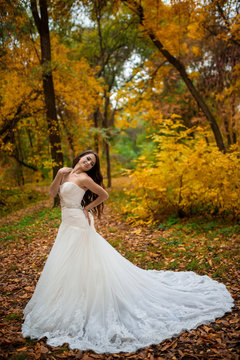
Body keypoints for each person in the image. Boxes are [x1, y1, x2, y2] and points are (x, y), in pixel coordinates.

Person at [22, 150, 234, 354]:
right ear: (79, 157)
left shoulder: (85, 179)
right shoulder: (65, 172)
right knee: (66, 262)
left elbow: (103, 194)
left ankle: (89, 296)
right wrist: (58, 175)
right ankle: (67, 296)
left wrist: (86, 209)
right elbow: (52, 194)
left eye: (92, 163)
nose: (88, 164)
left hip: (78, 221)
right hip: (66, 223)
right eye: (87, 159)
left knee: (83, 259)